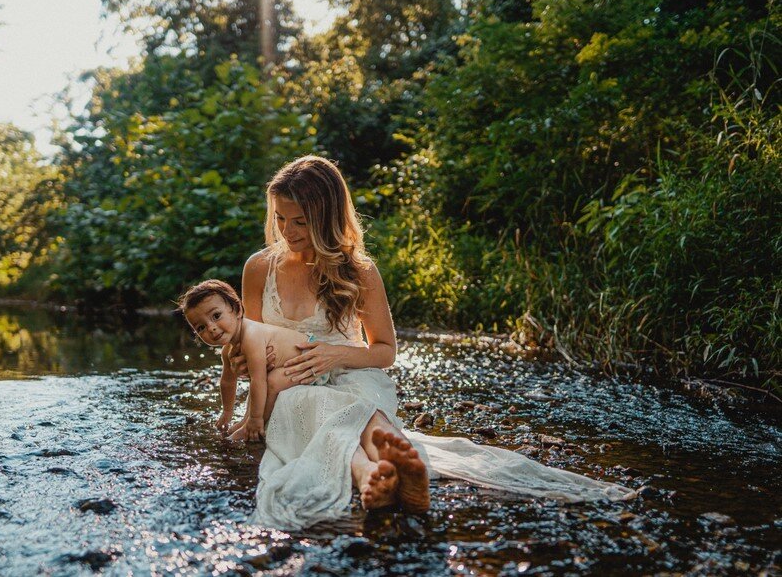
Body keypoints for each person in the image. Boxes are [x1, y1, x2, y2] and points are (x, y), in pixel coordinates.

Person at [228, 155, 634, 530]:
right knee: (306, 401)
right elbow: (250, 343)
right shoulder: (259, 268)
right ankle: (374, 472)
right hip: (288, 388)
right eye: (281, 219)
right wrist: (244, 365)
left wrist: (336, 354)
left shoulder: (359, 272)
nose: (288, 231)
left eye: (299, 221)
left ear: (327, 217)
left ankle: (396, 467)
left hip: (349, 375)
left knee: (360, 406)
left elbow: (385, 351)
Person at [180, 279, 330, 442]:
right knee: (264, 381)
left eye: (216, 316)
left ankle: (256, 424)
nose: (211, 328)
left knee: (270, 381)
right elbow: (227, 382)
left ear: (237, 309)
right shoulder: (227, 350)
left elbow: (258, 380)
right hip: (294, 363)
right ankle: (245, 421)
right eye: (201, 327)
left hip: (312, 362)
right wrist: (227, 412)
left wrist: (255, 418)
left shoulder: (251, 336)